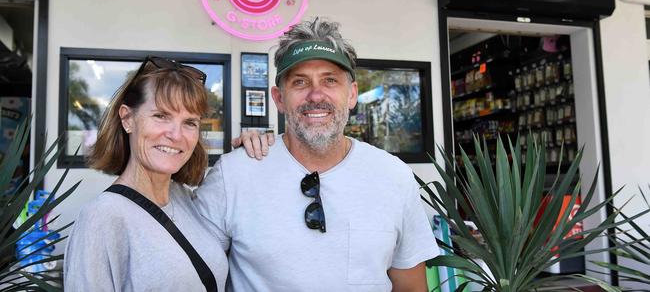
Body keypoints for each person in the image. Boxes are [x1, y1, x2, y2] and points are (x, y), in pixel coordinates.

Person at [195, 17, 439, 291]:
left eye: (330, 80)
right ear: (279, 98)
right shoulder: (234, 174)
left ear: (352, 94)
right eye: (300, 82)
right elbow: (190, 273)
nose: (315, 95)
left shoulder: (395, 177)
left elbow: (411, 287)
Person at [64, 56, 227, 291]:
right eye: (161, 116)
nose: (176, 135)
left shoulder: (184, 197)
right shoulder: (102, 217)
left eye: (190, 122)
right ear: (127, 119)